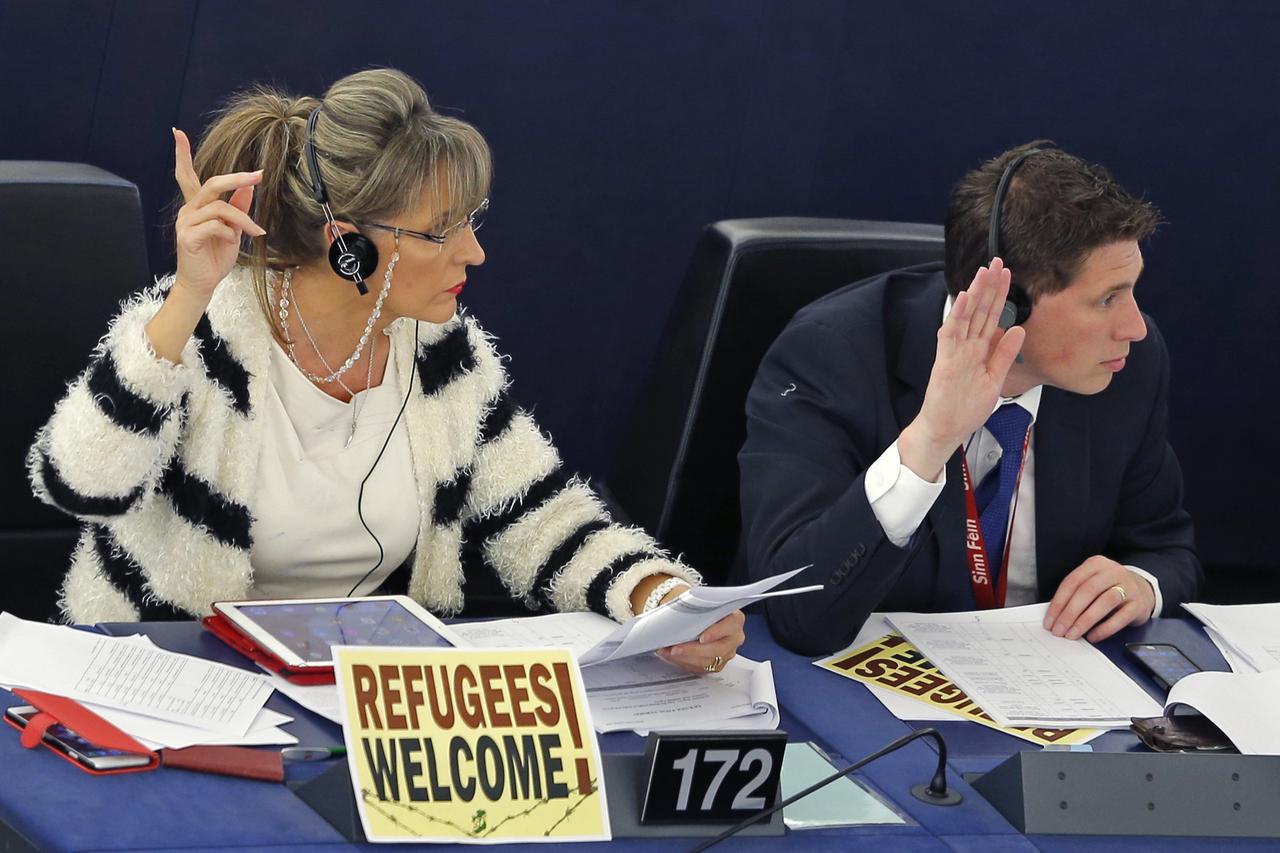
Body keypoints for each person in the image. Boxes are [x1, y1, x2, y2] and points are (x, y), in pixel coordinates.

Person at [28, 68, 743, 674]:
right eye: (441, 230)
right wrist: (187, 296)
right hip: (169, 684)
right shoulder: (207, 328)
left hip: (348, 700)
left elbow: (543, 518)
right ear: (349, 246)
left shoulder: (442, 355)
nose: (474, 253)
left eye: (475, 220)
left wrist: (661, 597)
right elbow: (80, 484)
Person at [738, 141, 1200, 655]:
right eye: (1107, 299)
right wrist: (931, 438)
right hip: (864, 683)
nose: (1134, 327)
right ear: (1008, 305)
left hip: (1045, 687)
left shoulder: (1125, 366)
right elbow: (796, 614)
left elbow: (1165, 545)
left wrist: (1140, 583)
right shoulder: (830, 357)